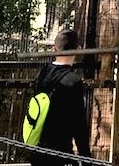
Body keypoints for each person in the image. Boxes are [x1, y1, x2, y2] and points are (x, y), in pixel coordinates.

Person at [29, 29, 92, 166]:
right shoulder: (73, 81)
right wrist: (86, 158)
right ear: (78, 50)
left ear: (55, 49)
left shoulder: (43, 73)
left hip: (37, 149)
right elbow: (79, 124)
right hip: (61, 152)